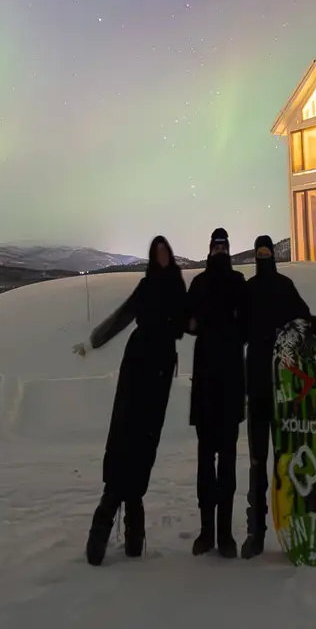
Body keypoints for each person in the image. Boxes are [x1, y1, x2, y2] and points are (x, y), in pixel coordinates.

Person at [73, 234, 187, 564]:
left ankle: (132, 518)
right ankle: (110, 512)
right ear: (153, 256)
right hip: (138, 362)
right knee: (124, 429)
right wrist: (93, 341)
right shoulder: (147, 285)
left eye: (166, 251)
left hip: (161, 368)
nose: (162, 256)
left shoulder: (177, 286)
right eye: (158, 252)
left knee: (146, 437)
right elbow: (122, 316)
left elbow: (190, 320)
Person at [241, 233, 316, 558]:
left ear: (272, 254)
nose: (263, 256)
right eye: (258, 252)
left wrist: (313, 325)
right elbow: (238, 331)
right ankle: (256, 531)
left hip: (284, 386)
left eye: (266, 251)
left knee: (286, 458)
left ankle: (292, 527)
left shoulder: (285, 287)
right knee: (257, 461)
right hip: (257, 385)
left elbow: (302, 318)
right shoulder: (248, 290)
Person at [184, 226, 248, 556]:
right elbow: (187, 321)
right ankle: (206, 531)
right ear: (210, 249)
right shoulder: (199, 283)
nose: (220, 251)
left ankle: (225, 534)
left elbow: (248, 323)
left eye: (224, 246)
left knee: (228, 462)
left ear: (228, 249)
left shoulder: (238, 282)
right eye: (216, 246)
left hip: (231, 383)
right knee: (205, 461)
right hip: (206, 384)